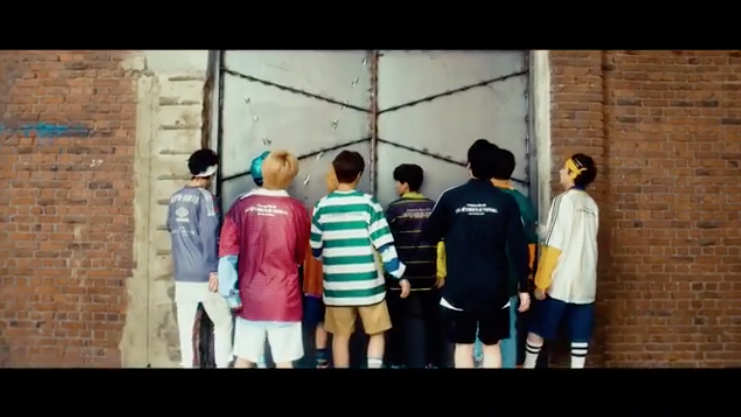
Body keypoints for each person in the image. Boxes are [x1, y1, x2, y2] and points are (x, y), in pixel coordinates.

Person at [422, 141, 530, 368]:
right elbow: (519, 246)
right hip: (495, 288)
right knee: (492, 346)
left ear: (469, 165)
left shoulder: (450, 197)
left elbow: (429, 235)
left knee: (463, 346)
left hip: (458, 287)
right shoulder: (506, 201)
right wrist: (524, 286)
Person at [310, 150, 410, 369]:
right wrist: (400, 275)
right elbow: (385, 245)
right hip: (369, 287)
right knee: (376, 333)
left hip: (336, 289)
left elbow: (315, 250)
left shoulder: (321, 206)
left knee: (340, 336)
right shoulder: (369, 204)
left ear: (335, 173)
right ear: (359, 175)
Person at [218, 150, 310, 369]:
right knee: (284, 361)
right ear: (291, 176)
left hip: (250, 297)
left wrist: (230, 294)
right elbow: (300, 254)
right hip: (284, 298)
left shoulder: (240, 207)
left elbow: (227, 255)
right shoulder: (297, 210)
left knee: (244, 359)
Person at [523, 154, 599, 369]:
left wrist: (541, 281)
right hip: (585, 282)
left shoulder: (562, 201)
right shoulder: (592, 205)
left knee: (537, 328)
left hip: (559, 281)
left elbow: (554, 243)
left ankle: (529, 365)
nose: (560, 172)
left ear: (573, 174)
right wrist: (542, 230)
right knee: (580, 336)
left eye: (565, 169)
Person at [167, 148, 234, 369]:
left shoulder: (175, 198)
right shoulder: (206, 199)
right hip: (205, 275)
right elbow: (209, 236)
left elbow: (171, 227)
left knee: (187, 332)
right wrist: (215, 270)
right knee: (223, 322)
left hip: (182, 275)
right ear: (211, 171)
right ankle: (222, 364)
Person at [384, 163, 443, 369]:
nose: (395, 187)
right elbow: (441, 242)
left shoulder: (394, 209)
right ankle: (433, 362)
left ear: (405, 185)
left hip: (401, 278)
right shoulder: (434, 207)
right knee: (433, 322)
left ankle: (397, 362)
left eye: (397, 183)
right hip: (429, 276)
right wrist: (441, 272)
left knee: (396, 323)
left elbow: (385, 242)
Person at [489, 148, 538, 368]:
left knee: (481, 332)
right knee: (508, 329)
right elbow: (530, 245)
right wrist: (525, 278)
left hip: (481, 278)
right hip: (511, 278)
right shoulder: (523, 202)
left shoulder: (481, 198)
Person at [302, 166, 339, 369]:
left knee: (320, 322)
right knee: (341, 326)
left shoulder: (318, 207)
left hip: (316, 279)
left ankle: (321, 361)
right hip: (340, 279)